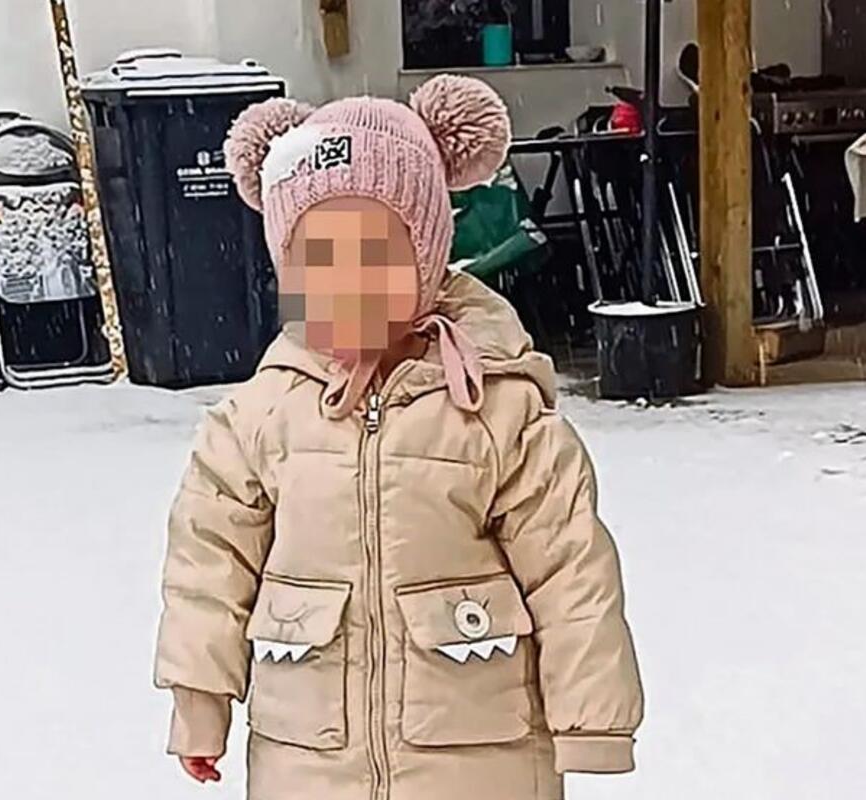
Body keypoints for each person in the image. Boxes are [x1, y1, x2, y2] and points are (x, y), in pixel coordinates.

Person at [152, 74, 644, 800]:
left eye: (374, 255)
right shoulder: (262, 416)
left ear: (428, 256)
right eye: (317, 261)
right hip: (309, 761)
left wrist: (591, 721)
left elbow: (571, 569)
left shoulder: (498, 410)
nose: (344, 284)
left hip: (480, 758)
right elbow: (207, 564)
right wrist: (199, 700)